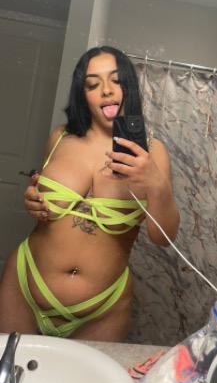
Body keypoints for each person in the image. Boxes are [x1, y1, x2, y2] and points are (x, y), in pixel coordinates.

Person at [0, 46, 180, 341]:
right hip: (23, 283)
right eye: (93, 84)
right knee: (9, 370)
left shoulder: (152, 152)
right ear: (82, 95)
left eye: (116, 80)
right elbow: (38, 192)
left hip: (104, 306)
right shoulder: (60, 137)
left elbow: (164, 238)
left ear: (128, 87)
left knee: (89, 373)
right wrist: (32, 198)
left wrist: (156, 183)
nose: (106, 90)